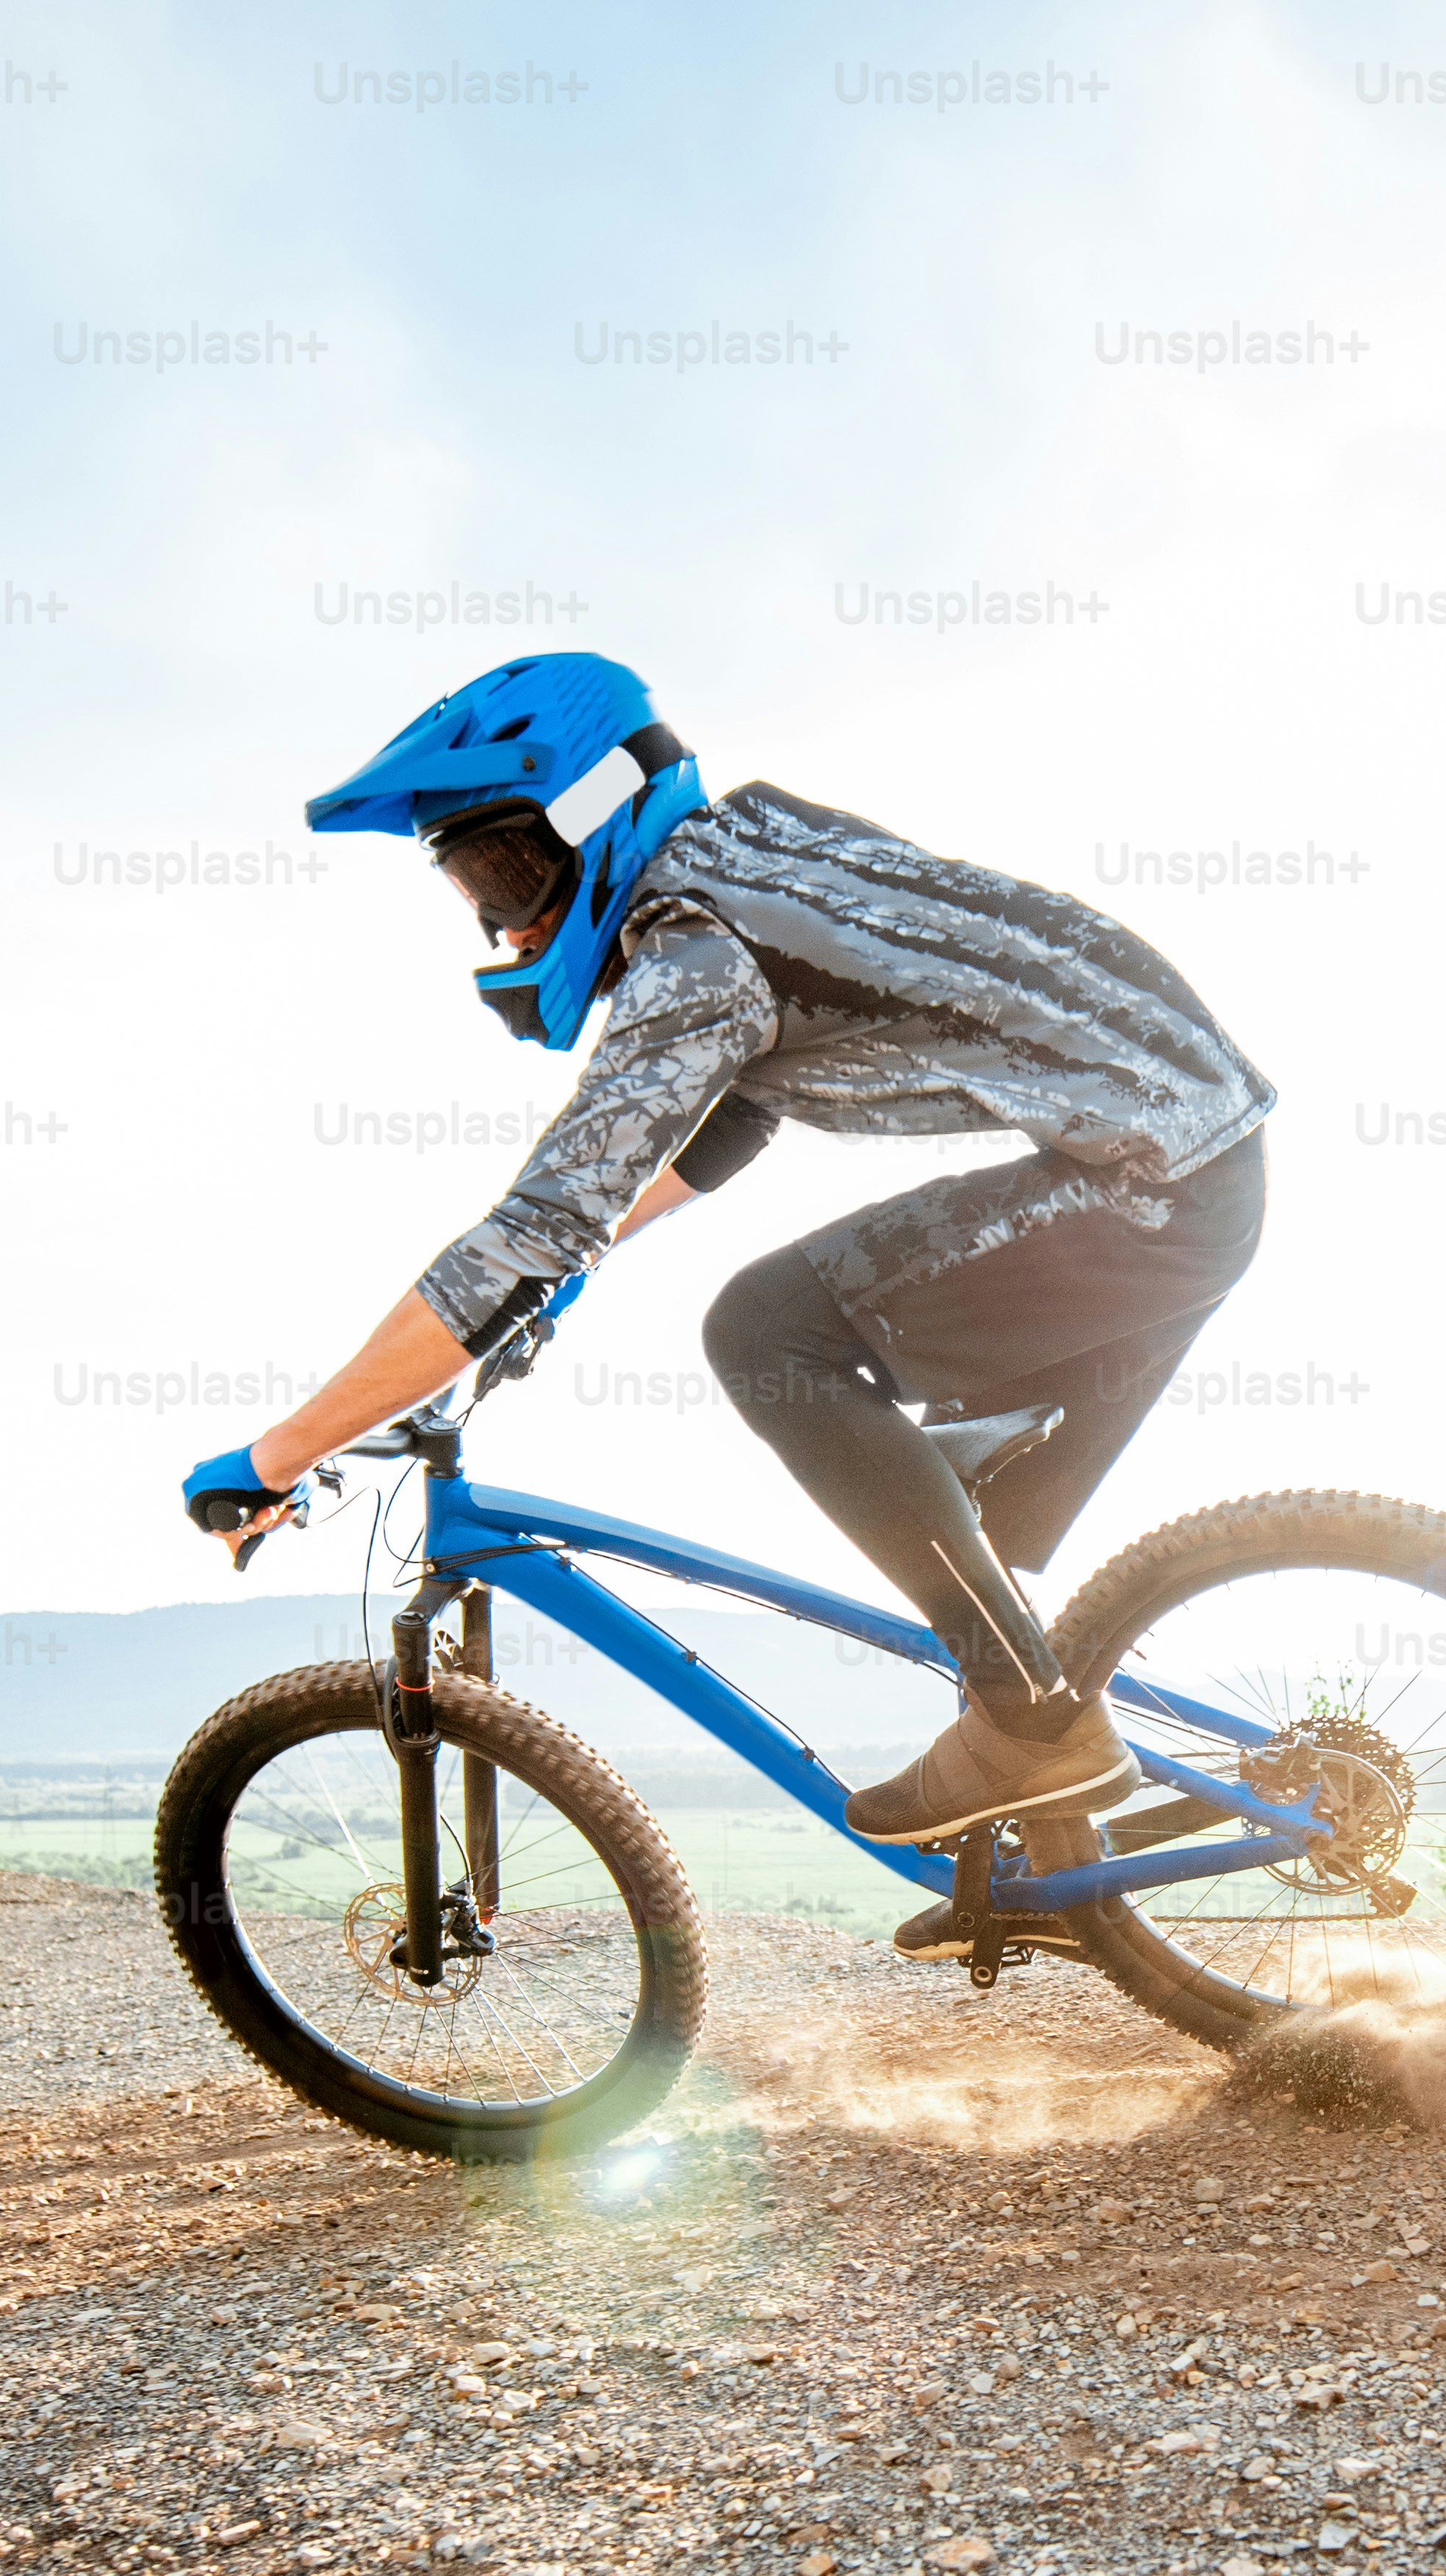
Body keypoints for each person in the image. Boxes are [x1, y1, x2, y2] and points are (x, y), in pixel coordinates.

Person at [183, 653, 1271, 1960]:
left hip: (1152, 1184)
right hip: (1184, 1156)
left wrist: (273, 1455)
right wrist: (578, 1261)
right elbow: (737, 1114)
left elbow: (533, 1222)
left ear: (589, 817)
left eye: (506, 878)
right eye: (471, 892)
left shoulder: (698, 948)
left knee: (766, 1332)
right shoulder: (752, 846)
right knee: (944, 1523)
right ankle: (1043, 1855)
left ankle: (1035, 1732)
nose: (502, 927)